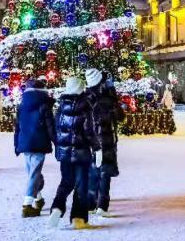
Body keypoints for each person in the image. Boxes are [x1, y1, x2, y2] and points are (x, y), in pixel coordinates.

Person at [48, 75, 95, 230]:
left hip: (65, 153)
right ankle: (78, 218)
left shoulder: (62, 105)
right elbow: (89, 131)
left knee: (66, 181)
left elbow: (56, 128)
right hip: (81, 153)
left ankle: (57, 207)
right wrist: (97, 147)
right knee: (81, 185)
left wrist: (60, 145)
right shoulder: (85, 105)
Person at [14, 77, 55, 217]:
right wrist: (57, 143)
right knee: (34, 174)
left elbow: (17, 127)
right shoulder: (44, 106)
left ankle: (38, 199)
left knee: (32, 173)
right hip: (39, 142)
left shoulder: (22, 106)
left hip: (25, 143)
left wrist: (16, 144)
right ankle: (27, 205)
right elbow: (51, 127)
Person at [85, 70, 124, 220]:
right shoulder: (107, 99)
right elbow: (120, 116)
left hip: (90, 140)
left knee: (93, 172)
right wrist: (113, 95)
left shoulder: (86, 97)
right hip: (106, 140)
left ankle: (90, 204)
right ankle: (102, 205)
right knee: (105, 173)